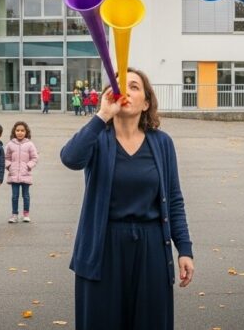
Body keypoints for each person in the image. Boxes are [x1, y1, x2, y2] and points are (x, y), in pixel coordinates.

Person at [60, 68, 194, 329]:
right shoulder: (98, 139)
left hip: (151, 246)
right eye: (119, 86)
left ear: (146, 103)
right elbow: (70, 158)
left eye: (134, 87)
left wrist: (184, 249)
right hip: (103, 245)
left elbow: (174, 200)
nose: (125, 92)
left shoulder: (162, 142)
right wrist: (101, 116)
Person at [5, 121, 39, 223]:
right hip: (14, 174)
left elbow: (35, 158)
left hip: (25, 174)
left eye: (22, 130)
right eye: (17, 130)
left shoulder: (30, 144)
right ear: (14, 131)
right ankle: (14, 214)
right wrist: (9, 166)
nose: (20, 132)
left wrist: (28, 166)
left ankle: (26, 214)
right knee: (15, 196)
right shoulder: (10, 144)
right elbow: (6, 157)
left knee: (26, 195)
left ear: (26, 132)